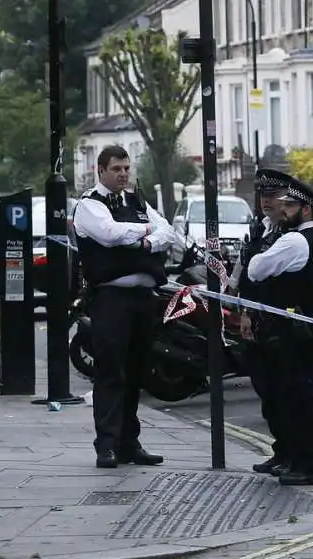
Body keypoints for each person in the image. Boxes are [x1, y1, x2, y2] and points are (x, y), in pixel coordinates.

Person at [73, 145, 175, 469]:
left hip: (143, 300)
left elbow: (168, 232)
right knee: (110, 373)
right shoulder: (90, 205)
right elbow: (109, 233)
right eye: (116, 169)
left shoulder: (137, 202)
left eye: (127, 168)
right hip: (111, 300)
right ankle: (107, 445)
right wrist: (146, 233)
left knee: (135, 373)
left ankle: (129, 443)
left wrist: (143, 240)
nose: (123, 174)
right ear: (100, 170)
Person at [246, 176, 313, 486]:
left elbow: (256, 269)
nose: (283, 210)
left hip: (295, 334)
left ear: (306, 210)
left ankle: (311, 466)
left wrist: (257, 258)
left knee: (299, 400)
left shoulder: (295, 241)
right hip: (304, 330)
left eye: (290, 205)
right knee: (293, 398)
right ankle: (298, 460)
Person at [229, 168, 293, 476]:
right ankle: (281, 449)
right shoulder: (259, 230)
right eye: (263, 196)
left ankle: (292, 453)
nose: (266, 202)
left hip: (280, 322)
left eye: (273, 196)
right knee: (266, 392)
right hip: (255, 321)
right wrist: (243, 313)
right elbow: (243, 276)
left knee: (284, 392)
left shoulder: (289, 234)